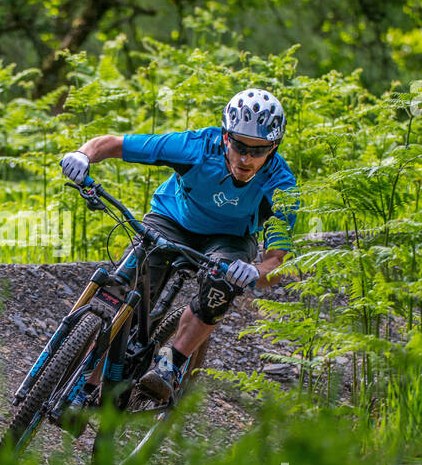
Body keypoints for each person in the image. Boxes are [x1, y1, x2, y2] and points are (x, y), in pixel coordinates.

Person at [58, 88, 300, 404]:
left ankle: (169, 366)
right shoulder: (197, 147)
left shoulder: (281, 185)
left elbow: (277, 262)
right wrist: (83, 155)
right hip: (171, 219)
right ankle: (86, 386)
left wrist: (253, 271)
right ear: (226, 137)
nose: (245, 158)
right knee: (122, 287)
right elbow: (114, 144)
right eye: (239, 145)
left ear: (274, 147)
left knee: (220, 286)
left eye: (258, 150)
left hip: (229, 239)